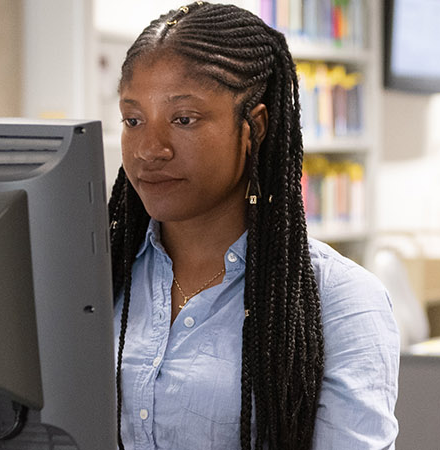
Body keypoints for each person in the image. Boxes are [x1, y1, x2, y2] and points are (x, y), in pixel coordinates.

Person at [109, 3, 399, 449]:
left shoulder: (339, 301)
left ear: (255, 127)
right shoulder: (96, 278)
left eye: (183, 119)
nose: (150, 149)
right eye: (133, 120)